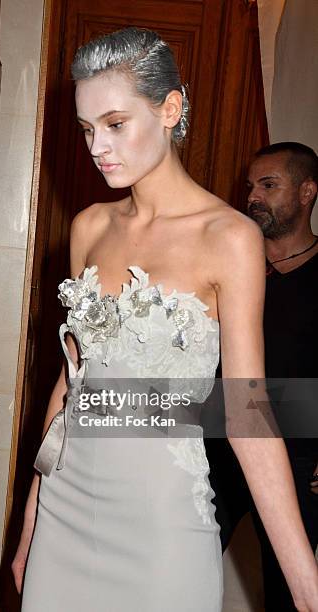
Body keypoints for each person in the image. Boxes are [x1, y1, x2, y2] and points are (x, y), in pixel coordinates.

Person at [12, 28, 318, 611]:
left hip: (162, 523)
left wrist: (306, 585)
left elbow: (248, 412)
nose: (98, 145)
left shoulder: (229, 237)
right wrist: (30, 521)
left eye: (116, 123)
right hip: (64, 508)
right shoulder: (89, 227)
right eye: (87, 130)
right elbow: (71, 384)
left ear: (171, 108)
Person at [207, 142, 318, 611]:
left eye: (269, 185)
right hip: (218, 447)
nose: (253, 196)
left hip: (299, 460)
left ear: (307, 192)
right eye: (250, 186)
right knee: (180, 571)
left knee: (287, 593)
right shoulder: (229, 268)